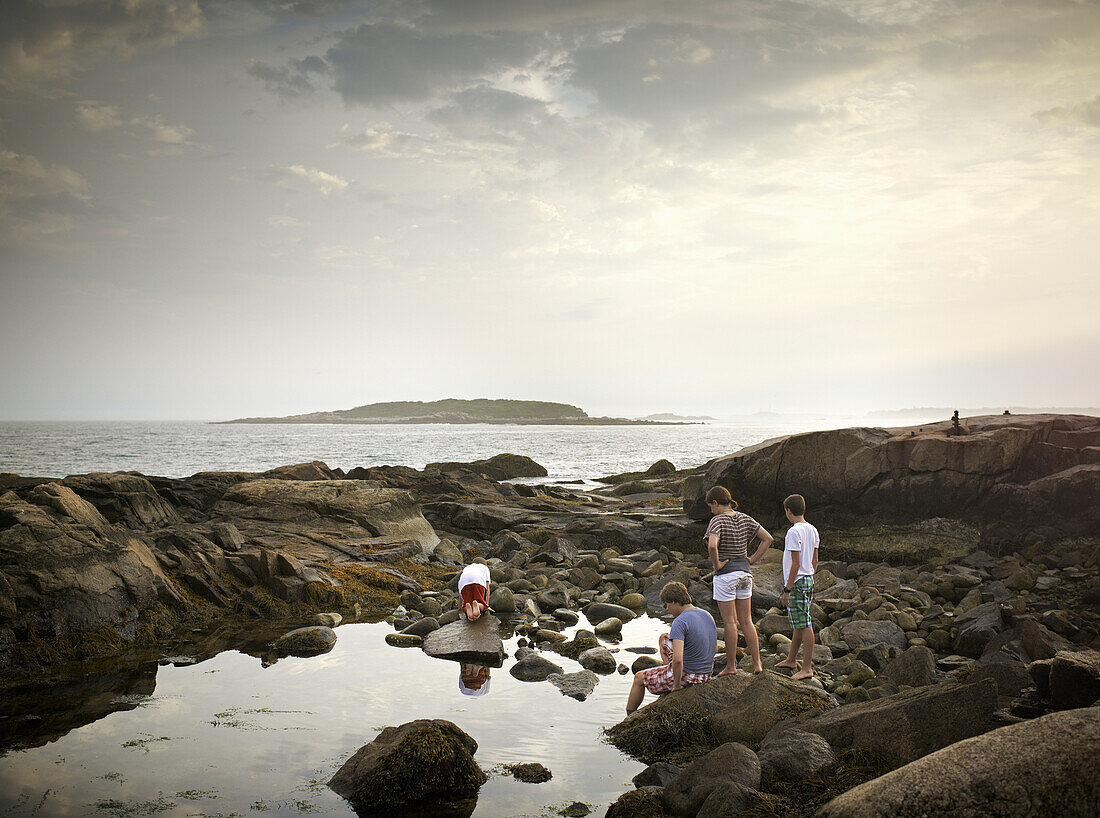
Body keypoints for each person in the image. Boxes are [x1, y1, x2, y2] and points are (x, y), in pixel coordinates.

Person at [704, 486, 774, 676]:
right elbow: (767, 539)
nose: (711, 510)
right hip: (745, 574)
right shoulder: (744, 518)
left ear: (716, 503)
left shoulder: (717, 520)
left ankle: (731, 666)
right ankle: (758, 664)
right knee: (747, 621)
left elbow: (712, 545)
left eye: (711, 506)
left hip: (726, 576)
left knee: (730, 623)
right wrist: (751, 559)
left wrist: (717, 564)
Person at [625, 581, 717, 715]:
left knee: (639, 678)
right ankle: (667, 672)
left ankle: (629, 716)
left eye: (667, 605)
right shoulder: (707, 615)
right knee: (664, 638)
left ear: (674, 601)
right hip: (706, 674)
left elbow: (678, 660)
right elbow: (714, 650)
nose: (667, 609)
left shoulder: (680, 622)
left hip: (688, 675)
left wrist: (677, 686)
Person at [774, 494, 819, 681]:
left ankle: (807, 667)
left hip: (798, 582)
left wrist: (787, 589)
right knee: (799, 623)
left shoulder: (794, 532)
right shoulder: (813, 529)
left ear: (788, 511)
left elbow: (795, 563)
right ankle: (791, 659)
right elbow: (815, 560)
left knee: (805, 624)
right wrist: (811, 575)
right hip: (808, 578)